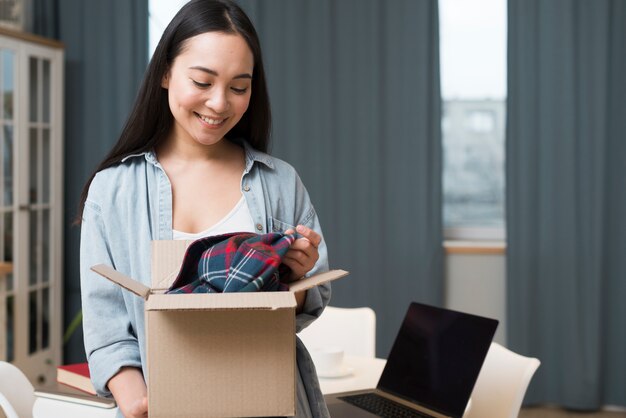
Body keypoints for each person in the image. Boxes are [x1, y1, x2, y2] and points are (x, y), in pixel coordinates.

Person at [78, 1, 331, 417]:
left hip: (269, 404)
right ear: (165, 72)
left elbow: (311, 300)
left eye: (238, 87)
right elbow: (106, 328)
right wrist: (138, 402)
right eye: (202, 81)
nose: (218, 104)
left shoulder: (280, 182)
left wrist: (295, 278)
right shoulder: (113, 190)